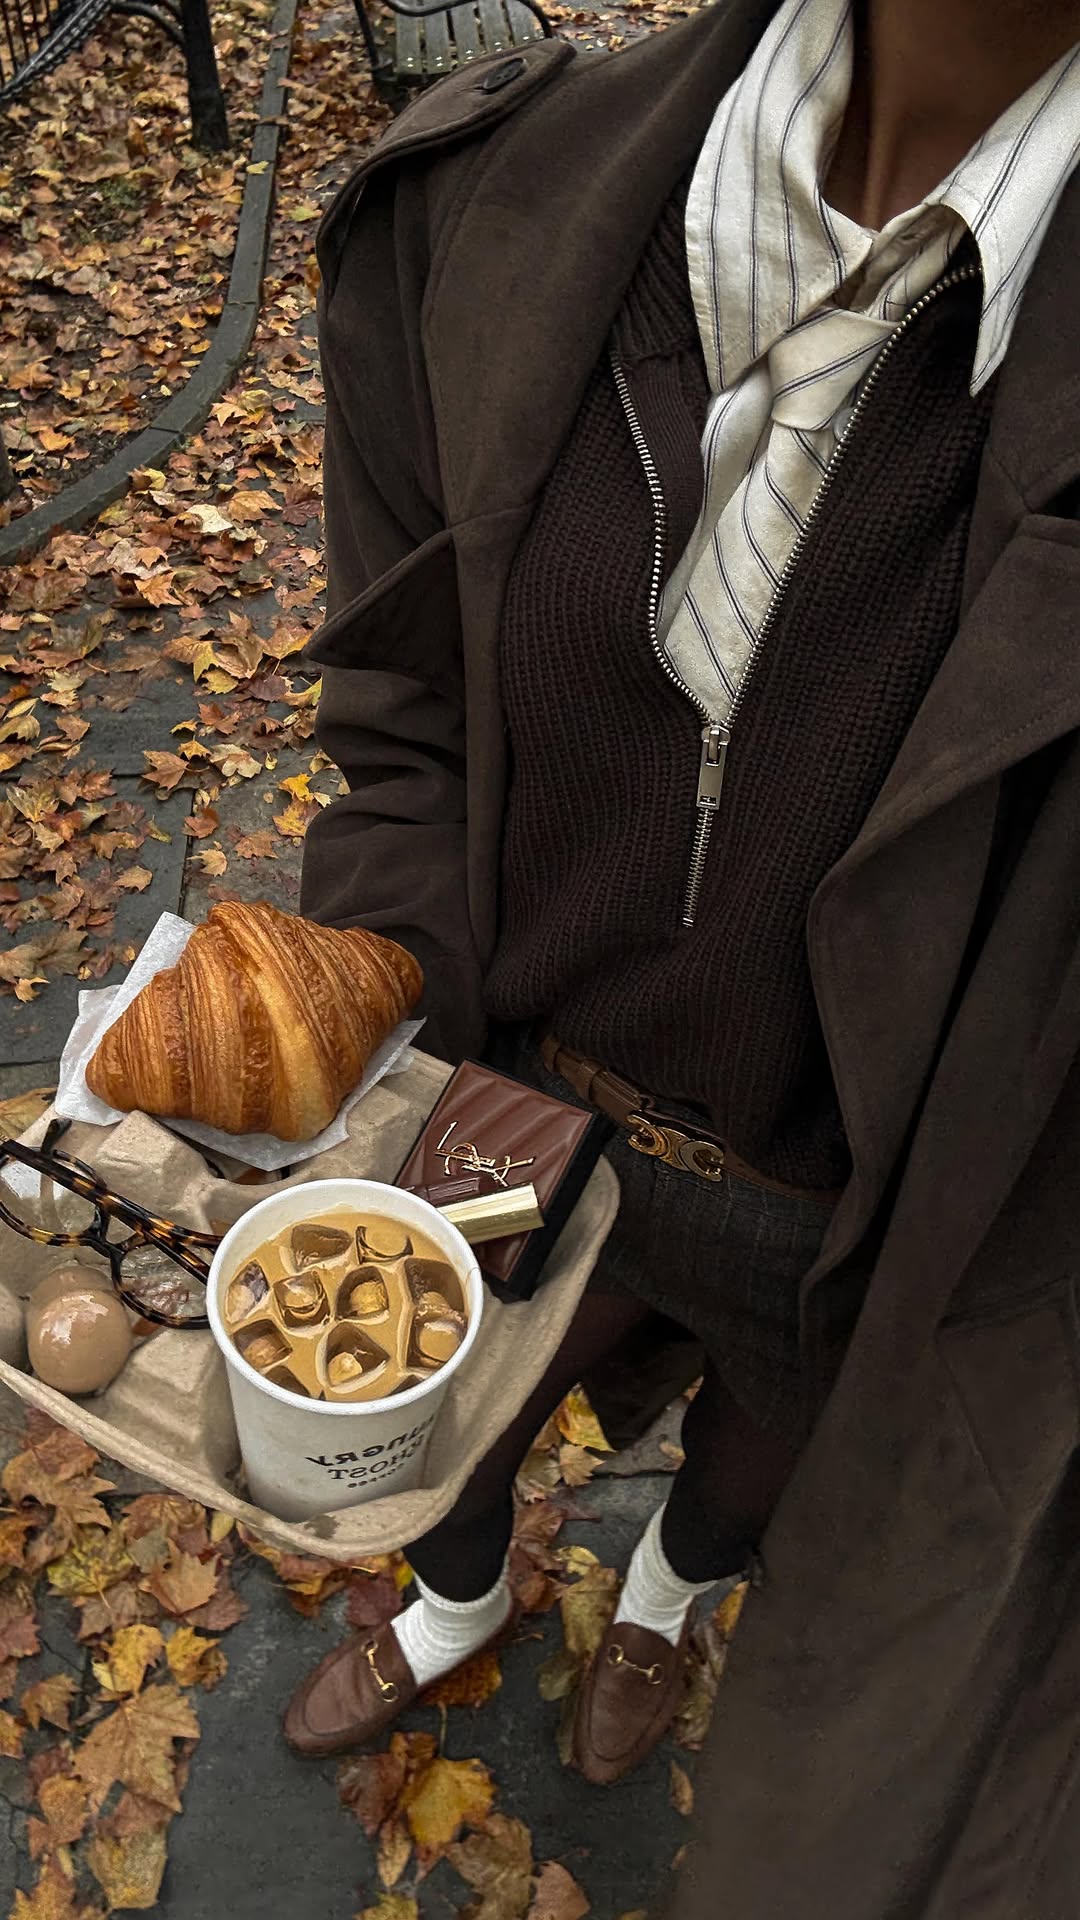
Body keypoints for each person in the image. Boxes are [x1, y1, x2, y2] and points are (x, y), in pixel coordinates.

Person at [289, 1, 1080, 1911]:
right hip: (499, 1091)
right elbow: (404, 698)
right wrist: (371, 1018)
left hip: (843, 1213)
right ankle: (462, 1601)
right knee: (447, 1410)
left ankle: (659, 1603)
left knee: (759, 1447)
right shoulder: (487, 206)